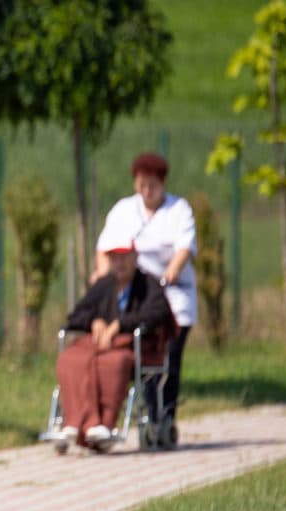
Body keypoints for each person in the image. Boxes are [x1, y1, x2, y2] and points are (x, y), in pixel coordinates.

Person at [92, 152, 197, 444]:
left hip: (172, 294)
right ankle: (150, 415)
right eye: (142, 185)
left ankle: (167, 416)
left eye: (152, 185)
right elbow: (105, 248)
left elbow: (184, 248)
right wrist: (103, 280)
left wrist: (171, 273)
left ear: (163, 184)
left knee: (169, 359)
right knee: (144, 356)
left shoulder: (179, 211)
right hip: (138, 297)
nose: (147, 191)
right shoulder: (124, 211)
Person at [56, 226, 176, 453]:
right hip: (97, 345)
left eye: (124, 257)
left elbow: (158, 313)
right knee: (70, 359)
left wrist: (121, 325)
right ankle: (75, 422)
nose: (120, 263)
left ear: (134, 257)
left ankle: (102, 424)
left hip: (131, 346)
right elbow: (76, 315)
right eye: (115, 258)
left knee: (112, 363)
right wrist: (94, 321)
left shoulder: (148, 284)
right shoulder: (104, 285)